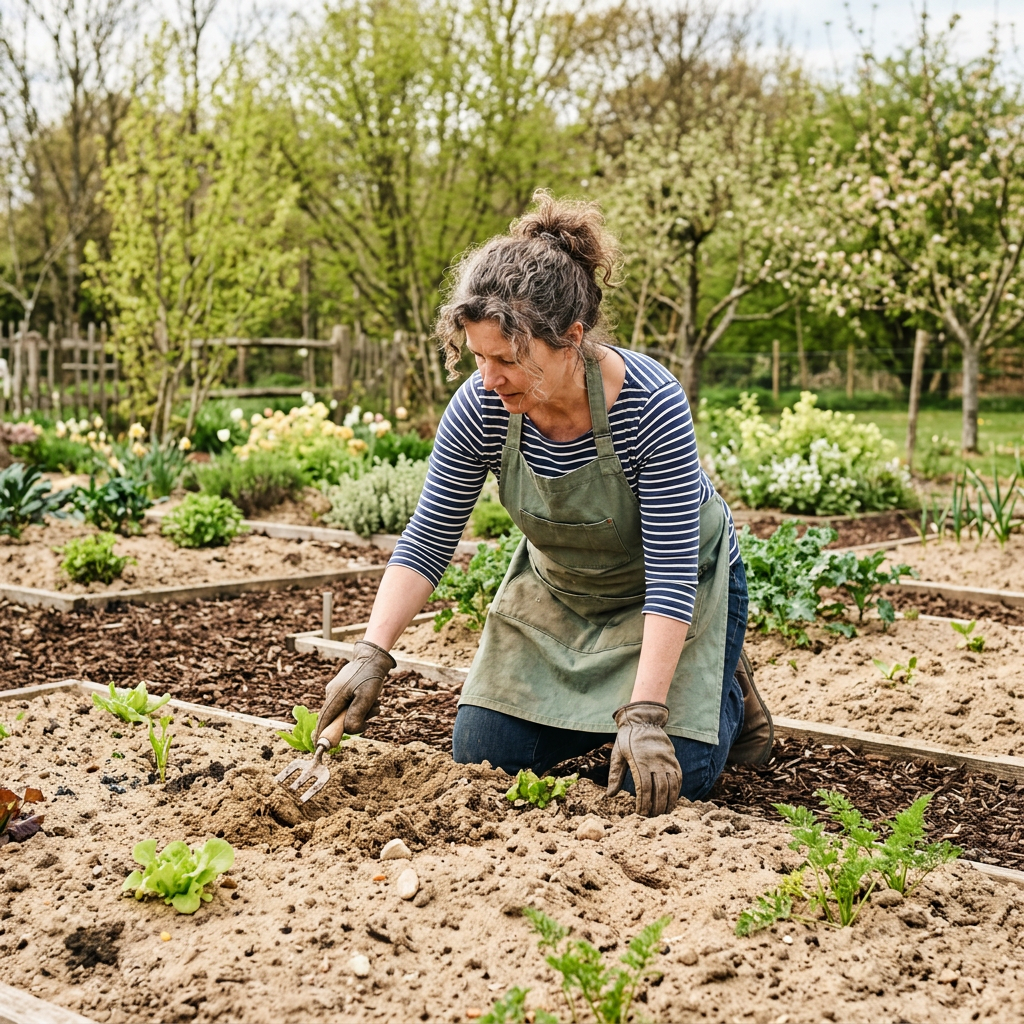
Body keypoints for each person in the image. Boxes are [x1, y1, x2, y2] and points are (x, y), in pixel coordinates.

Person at [313, 191, 772, 817]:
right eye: (478, 357)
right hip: (559, 592)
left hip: (672, 593)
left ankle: (724, 684)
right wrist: (371, 652)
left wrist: (644, 714)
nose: (489, 377)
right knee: (480, 757)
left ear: (571, 340)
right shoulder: (482, 407)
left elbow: (671, 572)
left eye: (507, 359)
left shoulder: (649, 403)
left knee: (664, 791)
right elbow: (428, 539)